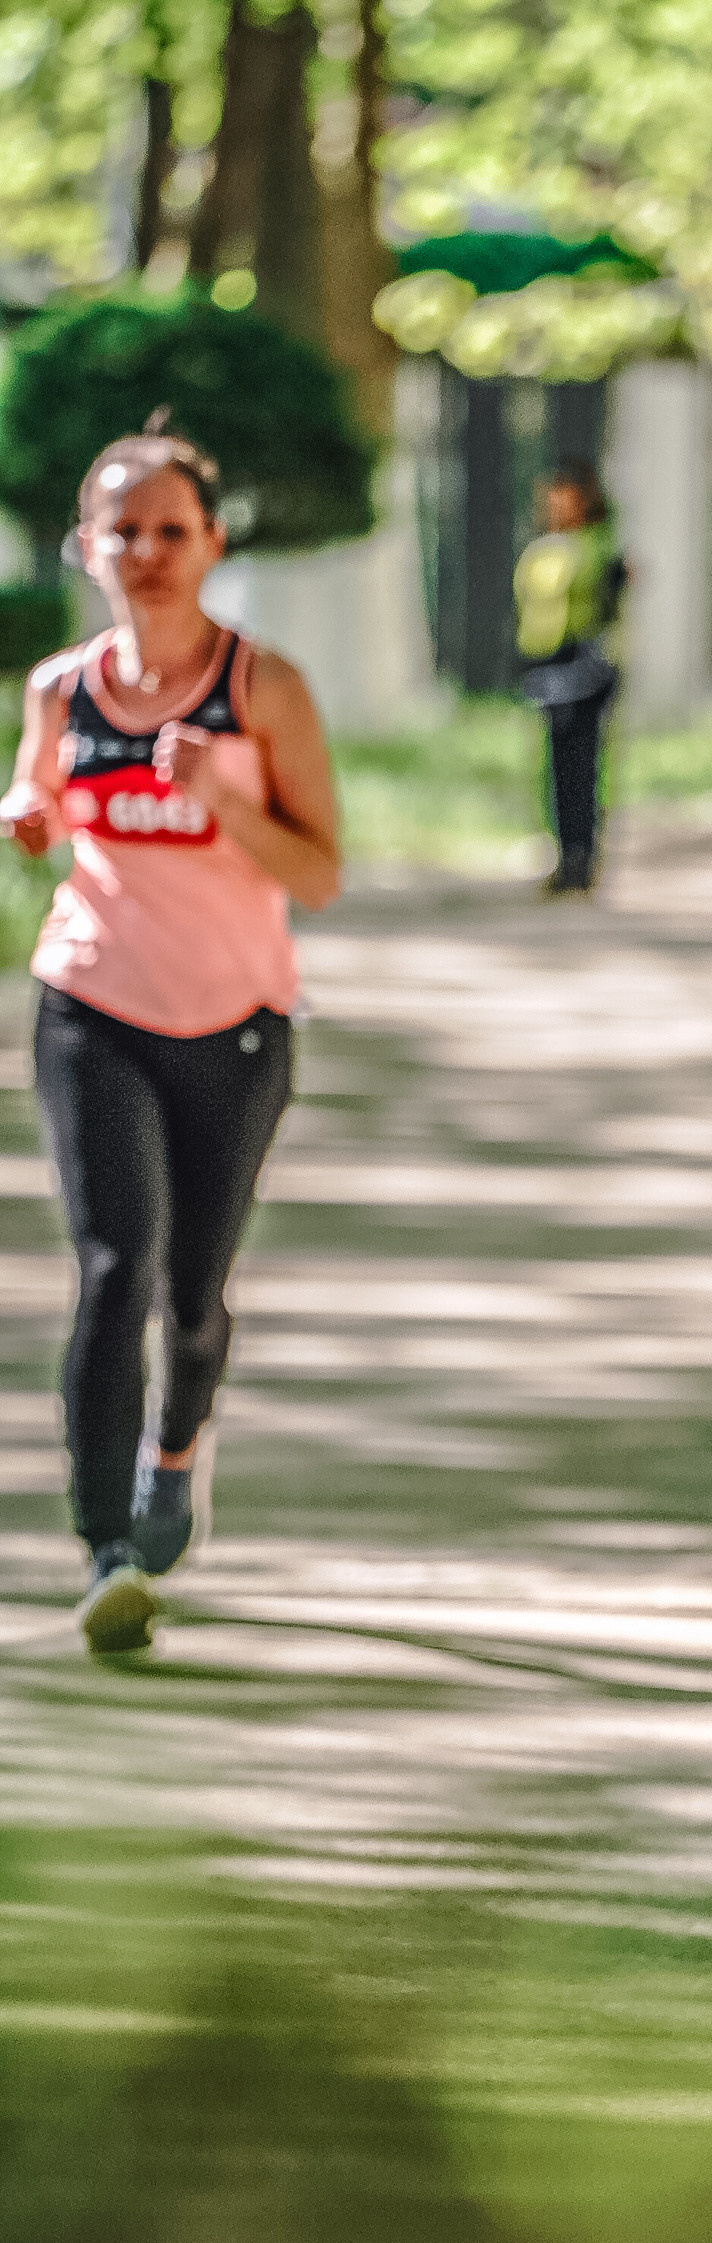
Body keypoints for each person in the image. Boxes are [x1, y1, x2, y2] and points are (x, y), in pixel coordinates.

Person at [0, 419, 340, 1656]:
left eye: (170, 530)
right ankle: (105, 1548)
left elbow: (321, 868)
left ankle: (175, 1456)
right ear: (87, 545)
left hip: (235, 1028)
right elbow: (41, 796)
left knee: (194, 1294)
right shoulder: (61, 689)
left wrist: (220, 801)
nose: (145, 551)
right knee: (112, 1266)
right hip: (92, 1007)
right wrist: (29, 821)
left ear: (212, 542)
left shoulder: (263, 689)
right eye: (121, 530)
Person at [514, 461, 625, 897]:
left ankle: (583, 858)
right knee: (557, 768)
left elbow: (610, 605)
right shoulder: (544, 548)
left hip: (585, 665)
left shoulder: (598, 545)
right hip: (545, 664)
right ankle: (564, 857)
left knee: (583, 765)